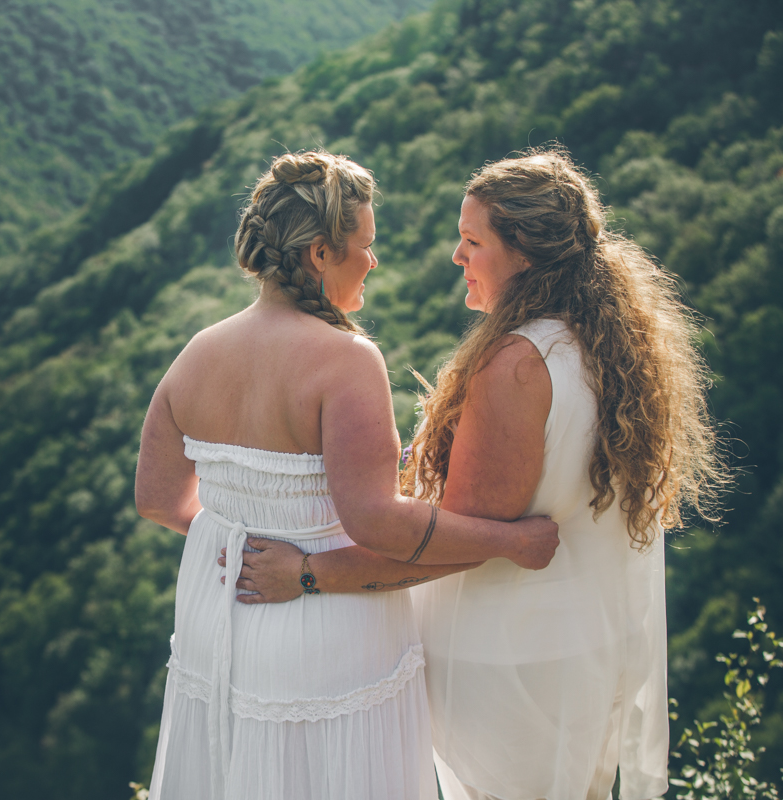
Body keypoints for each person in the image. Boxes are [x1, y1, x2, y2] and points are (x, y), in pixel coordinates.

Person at [226, 149, 726, 799]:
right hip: (576, 649)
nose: (457, 257)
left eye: (472, 241)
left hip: (508, 664)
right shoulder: (604, 344)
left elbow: (452, 547)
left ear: (523, 253)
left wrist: (308, 575)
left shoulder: (519, 365)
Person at [135, 150, 560, 800]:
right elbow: (375, 520)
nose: (374, 260)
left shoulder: (197, 353)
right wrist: (508, 539)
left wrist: (239, 537)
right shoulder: (345, 360)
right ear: (320, 255)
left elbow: (159, 500)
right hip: (323, 636)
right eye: (364, 245)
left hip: (217, 626)